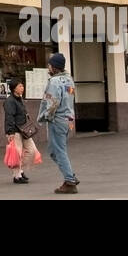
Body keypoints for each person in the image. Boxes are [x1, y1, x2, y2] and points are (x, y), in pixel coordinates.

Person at [37, 53, 79, 193]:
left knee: (59, 151)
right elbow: (70, 97)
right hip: (69, 119)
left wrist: (45, 116)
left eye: (49, 65)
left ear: (54, 67)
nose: (48, 67)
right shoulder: (69, 80)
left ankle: (70, 181)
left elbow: (53, 103)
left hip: (58, 120)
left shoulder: (54, 82)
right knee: (54, 151)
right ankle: (70, 175)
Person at [3, 78, 37, 184]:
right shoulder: (9, 101)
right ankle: (17, 176)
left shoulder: (19, 99)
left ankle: (20, 170)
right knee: (17, 154)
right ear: (14, 89)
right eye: (20, 86)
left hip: (24, 130)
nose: (22, 88)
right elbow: (9, 117)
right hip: (15, 131)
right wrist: (10, 132)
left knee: (32, 151)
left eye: (22, 86)